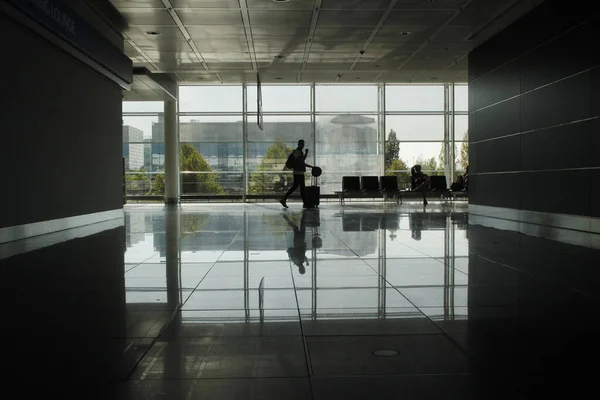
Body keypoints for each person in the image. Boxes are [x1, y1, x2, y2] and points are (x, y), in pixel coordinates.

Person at [280, 139, 313, 209]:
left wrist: (311, 166)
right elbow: (302, 162)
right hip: (298, 173)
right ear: (298, 144)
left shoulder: (298, 152)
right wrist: (306, 153)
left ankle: (284, 199)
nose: (302, 145)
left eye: (303, 144)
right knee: (302, 188)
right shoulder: (297, 152)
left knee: (296, 187)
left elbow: (302, 162)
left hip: (298, 172)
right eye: (301, 144)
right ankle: (305, 203)